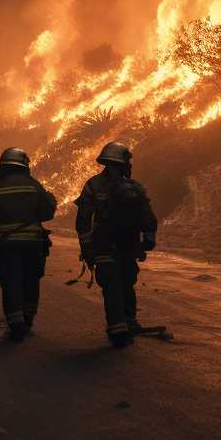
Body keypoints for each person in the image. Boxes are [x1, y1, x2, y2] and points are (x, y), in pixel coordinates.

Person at [0, 148, 57, 342]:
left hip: (4, 244)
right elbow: (47, 213)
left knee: (10, 283)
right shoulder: (32, 184)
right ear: (24, 165)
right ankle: (28, 320)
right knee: (31, 280)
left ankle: (16, 327)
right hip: (32, 243)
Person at [74, 141, 158, 348]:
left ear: (106, 162)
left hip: (104, 244)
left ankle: (119, 329)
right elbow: (148, 217)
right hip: (128, 244)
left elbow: (83, 219)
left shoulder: (93, 185)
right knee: (126, 283)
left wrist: (86, 246)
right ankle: (129, 322)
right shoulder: (135, 186)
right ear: (124, 164)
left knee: (112, 286)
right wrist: (148, 239)